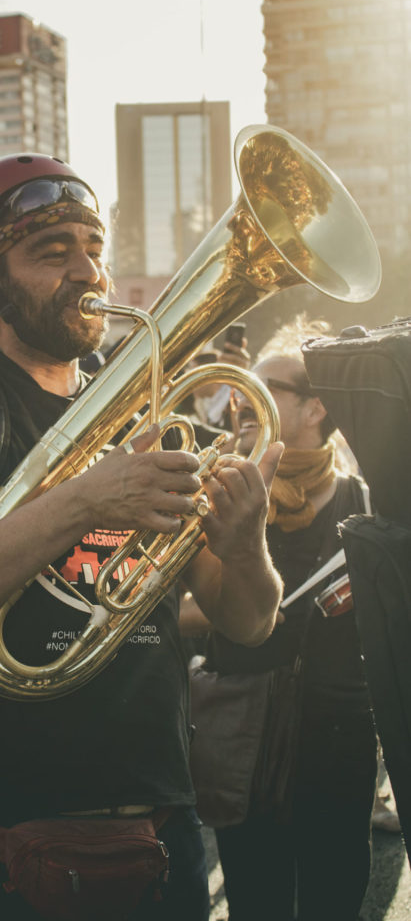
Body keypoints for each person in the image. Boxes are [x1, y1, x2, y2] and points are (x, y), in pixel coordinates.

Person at [0, 153, 284, 920]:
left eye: (93, 248)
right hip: (2, 843)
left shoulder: (154, 415)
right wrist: (83, 501)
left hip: (162, 824)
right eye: (51, 252)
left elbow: (247, 622)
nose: (87, 270)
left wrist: (245, 545)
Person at [202, 332, 377, 921]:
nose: (241, 398)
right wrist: (247, 608)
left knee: (335, 896)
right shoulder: (217, 494)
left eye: (264, 386)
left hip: (338, 738)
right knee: (255, 902)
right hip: (243, 731)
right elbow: (171, 608)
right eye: (240, 387)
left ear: (315, 407)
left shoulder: (364, 502)